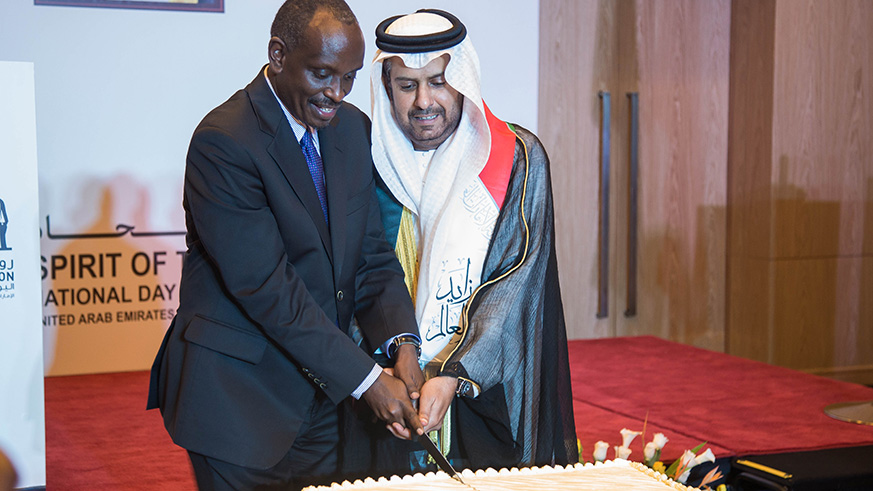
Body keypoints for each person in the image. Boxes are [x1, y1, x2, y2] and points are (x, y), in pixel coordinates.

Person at [146, 1, 427, 489]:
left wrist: (403, 346)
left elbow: (371, 256)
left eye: (349, 77)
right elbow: (268, 288)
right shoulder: (224, 141)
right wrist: (367, 380)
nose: (336, 93)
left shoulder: (353, 130)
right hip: (237, 403)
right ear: (278, 55)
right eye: (322, 74)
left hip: (323, 399)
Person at [341, 9, 578, 478]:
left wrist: (453, 370)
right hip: (386, 394)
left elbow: (518, 279)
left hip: (486, 388)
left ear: (463, 80)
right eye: (407, 85)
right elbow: (348, 280)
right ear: (386, 86)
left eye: (439, 81)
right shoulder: (364, 163)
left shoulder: (517, 158)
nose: (424, 100)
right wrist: (375, 373)